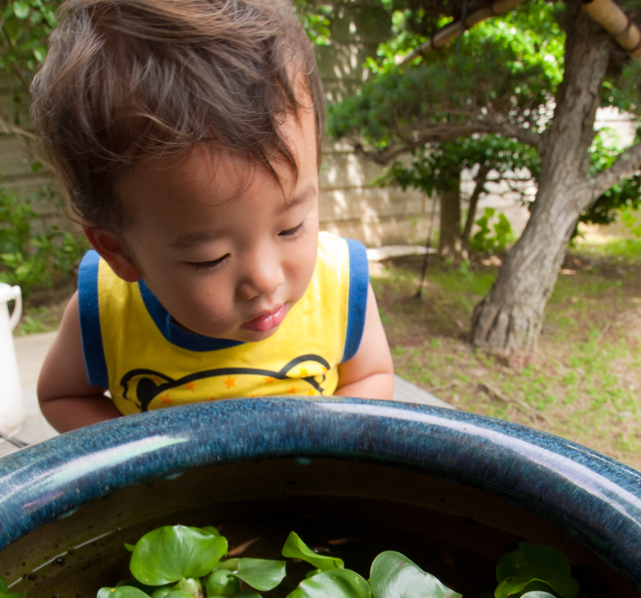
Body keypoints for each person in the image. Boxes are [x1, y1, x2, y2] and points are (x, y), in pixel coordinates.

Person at [31, 0, 395, 433]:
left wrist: (331, 440)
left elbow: (371, 375)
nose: (264, 279)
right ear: (119, 251)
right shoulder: (107, 311)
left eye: (292, 226)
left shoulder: (339, 286)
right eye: (211, 258)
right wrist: (143, 456)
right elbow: (62, 395)